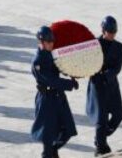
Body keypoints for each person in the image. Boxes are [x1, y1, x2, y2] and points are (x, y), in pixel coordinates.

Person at [31, 25, 78, 158]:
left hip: (58, 97)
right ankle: (49, 153)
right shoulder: (37, 62)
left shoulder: (53, 54)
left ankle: (52, 150)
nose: (52, 44)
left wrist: (74, 73)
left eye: (52, 41)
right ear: (41, 42)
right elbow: (51, 80)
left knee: (68, 130)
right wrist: (69, 84)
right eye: (49, 42)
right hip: (46, 99)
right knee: (48, 136)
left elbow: (62, 67)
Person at [86, 16, 122, 156]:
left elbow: (117, 68)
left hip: (112, 85)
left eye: (114, 32)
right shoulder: (93, 45)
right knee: (101, 118)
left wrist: (105, 74)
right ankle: (99, 145)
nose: (112, 34)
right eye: (109, 31)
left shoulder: (120, 47)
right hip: (97, 86)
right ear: (103, 30)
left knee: (118, 115)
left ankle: (101, 137)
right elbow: (86, 63)